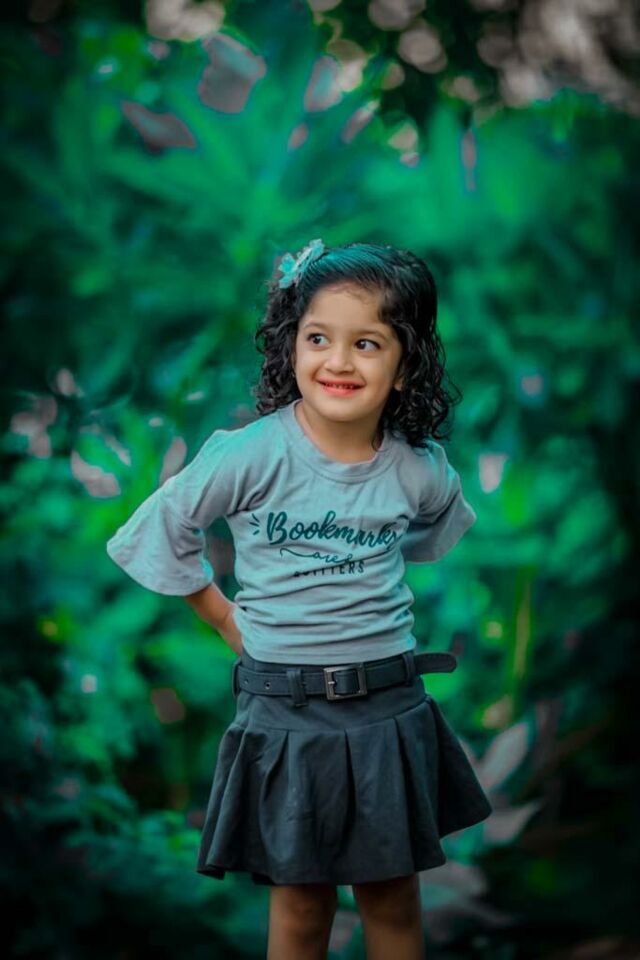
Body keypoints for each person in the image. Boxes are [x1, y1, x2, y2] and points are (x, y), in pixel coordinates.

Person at [106, 238, 493, 960]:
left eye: (367, 344)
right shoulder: (248, 454)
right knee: (301, 903)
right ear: (291, 345)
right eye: (318, 338)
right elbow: (157, 529)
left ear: (406, 364)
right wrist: (225, 618)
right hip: (286, 713)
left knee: (391, 897)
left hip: (386, 709)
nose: (338, 361)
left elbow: (429, 531)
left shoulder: (417, 470)